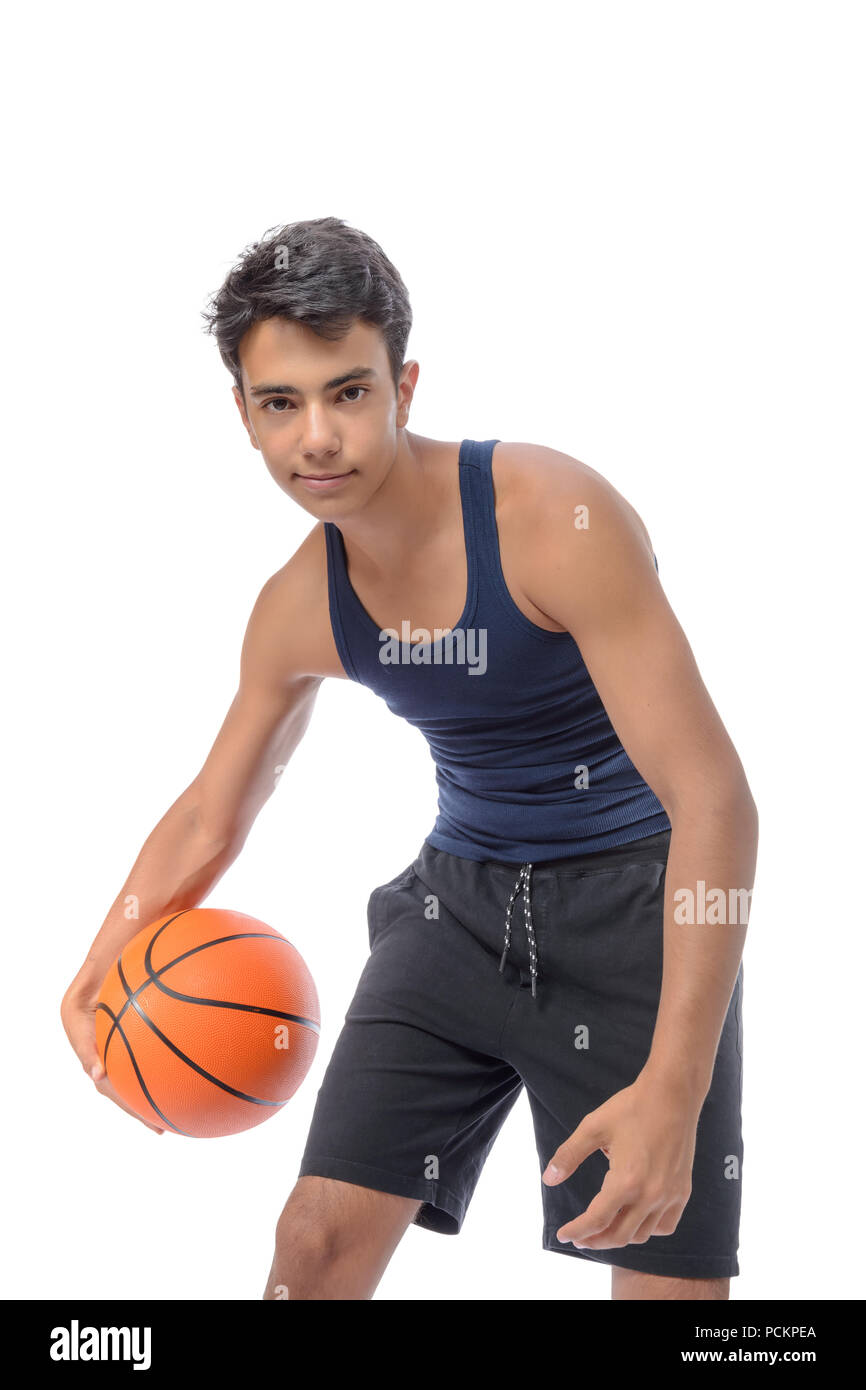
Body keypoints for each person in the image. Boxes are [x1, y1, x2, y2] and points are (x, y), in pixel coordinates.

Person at [61, 216, 758, 1302]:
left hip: (638, 912)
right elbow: (212, 811)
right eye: (280, 403)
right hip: (456, 914)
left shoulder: (548, 518)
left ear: (404, 386)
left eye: (348, 392)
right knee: (313, 1245)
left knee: (665, 1295)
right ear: (242, 416)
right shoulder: (298, 608)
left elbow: (713, 799)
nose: (318, 438)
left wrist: (677, 1079)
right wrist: (100, 964)